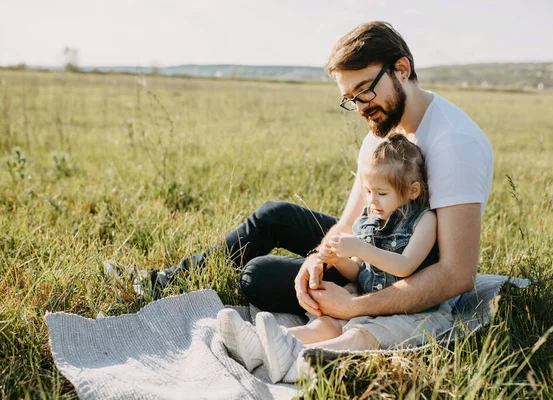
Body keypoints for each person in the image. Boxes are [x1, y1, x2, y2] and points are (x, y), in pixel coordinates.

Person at [106, 21, 492, 337]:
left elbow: (456, 274)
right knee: (274, 215)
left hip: (408, 273)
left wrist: (355, 305)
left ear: (402, 70)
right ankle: (160, 283)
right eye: (350, 99)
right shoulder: (382, 131)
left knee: (257, 275)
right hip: (368, 250)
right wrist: (317, 260)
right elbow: (347, 222)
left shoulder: (452, 142)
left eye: (365, 91)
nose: (360, 107)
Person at [216, 134, 455, 383]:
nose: (372, 200)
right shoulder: (370, 219)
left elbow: (405, 266)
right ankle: (261, 343)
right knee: (327, 324)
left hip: (413, 313)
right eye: (368, 191)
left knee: (361, 334)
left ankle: (308, 358)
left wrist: (361, 248)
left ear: (412, 191)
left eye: (382, 193)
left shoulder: (425, 221)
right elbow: (359, 272)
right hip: (369, 298)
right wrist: (339, 259)